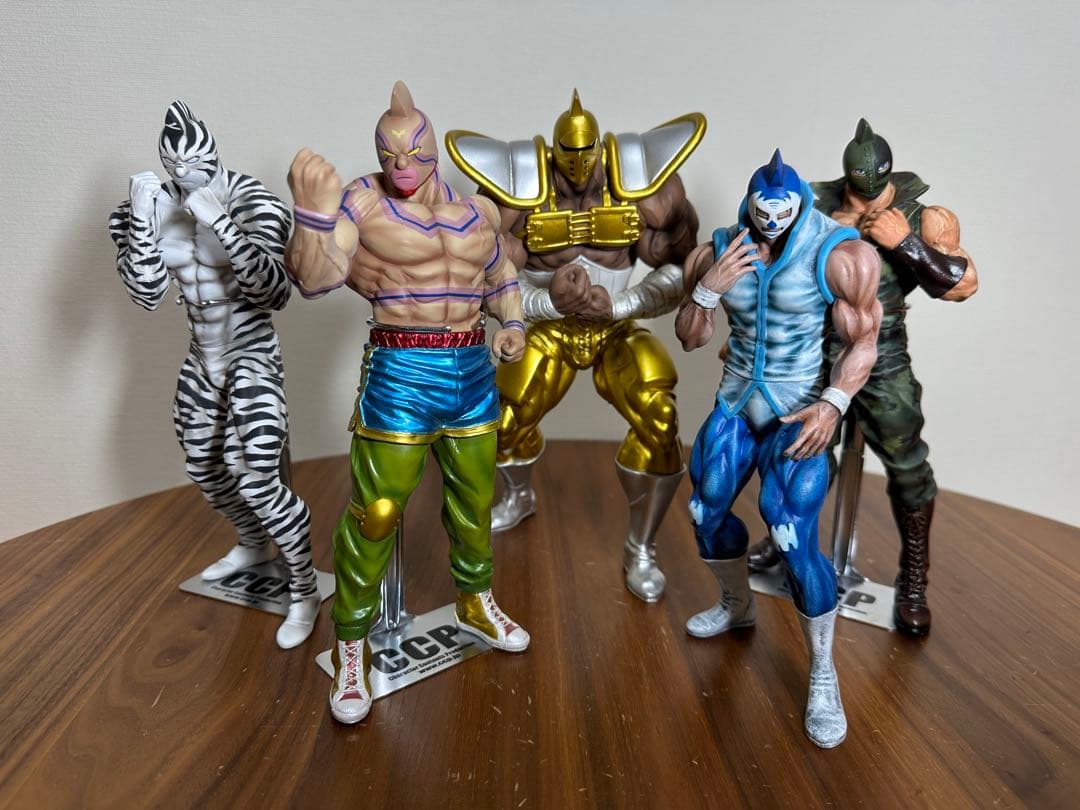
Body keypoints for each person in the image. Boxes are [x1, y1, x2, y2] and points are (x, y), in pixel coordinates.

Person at [285, 82, 529, 725]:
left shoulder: (477, 209)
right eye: (388, 153)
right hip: (401, 369)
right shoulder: (360, 204)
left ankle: (475, 602)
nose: (401, 165)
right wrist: (311, 216)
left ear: (433, 148)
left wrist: (512, 323)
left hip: (472, 369)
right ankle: (352, 644)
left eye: (413, 152)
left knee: (475, 501)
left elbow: (500, 275)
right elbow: (315, 279)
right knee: (377, 513)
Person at [446, 91, 704, 602]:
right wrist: (545, 303)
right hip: (549, 327)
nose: (580, 166)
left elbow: (685, 270)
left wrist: (622, 304)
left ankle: (641, 547)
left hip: (616, 327)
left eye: (589, 156)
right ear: (553, 151)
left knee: (661, 421)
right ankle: (519, 495)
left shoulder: (644, 188)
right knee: (502, 418)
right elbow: (481, 274)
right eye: (570, 155)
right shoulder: (518, 189)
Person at [676, 150, 881, 748]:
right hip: (738, 401)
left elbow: (865, 342)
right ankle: (737, 603)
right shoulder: (717, 252)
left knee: (789, 531)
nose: (769, 223)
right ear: (750, 204)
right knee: (704, 509)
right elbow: (690, 339)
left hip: (799, 409)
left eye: (780, 213)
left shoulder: (838, 255)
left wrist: (834, 404)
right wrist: (708, 291)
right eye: (760, 212)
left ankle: (823, 670)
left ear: (798, 206)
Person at [747, 120, 978, 636]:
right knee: (795, 445)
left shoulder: (925, 216)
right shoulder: (811, 201)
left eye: (873, 186)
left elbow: (962, 285)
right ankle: (788, 538)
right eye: (857, 187)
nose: (864, 194)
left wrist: (905, 244)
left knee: (905, 458)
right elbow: (768, 262)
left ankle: (913, 577)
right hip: (811, 345)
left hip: (882, 348)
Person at [109, 100, 320, 650]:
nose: (183, 175)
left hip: (252, 351)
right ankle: (253, 543)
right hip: (202, 356)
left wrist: (221, 223)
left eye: (193, 164)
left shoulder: (254, 201)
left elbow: (274, 293)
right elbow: (147, 294)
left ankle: (304, 588)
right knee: (203, 467)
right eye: (174, 167)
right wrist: (141, 220)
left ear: (213, 154)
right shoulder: (155, 204)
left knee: (255, 475)